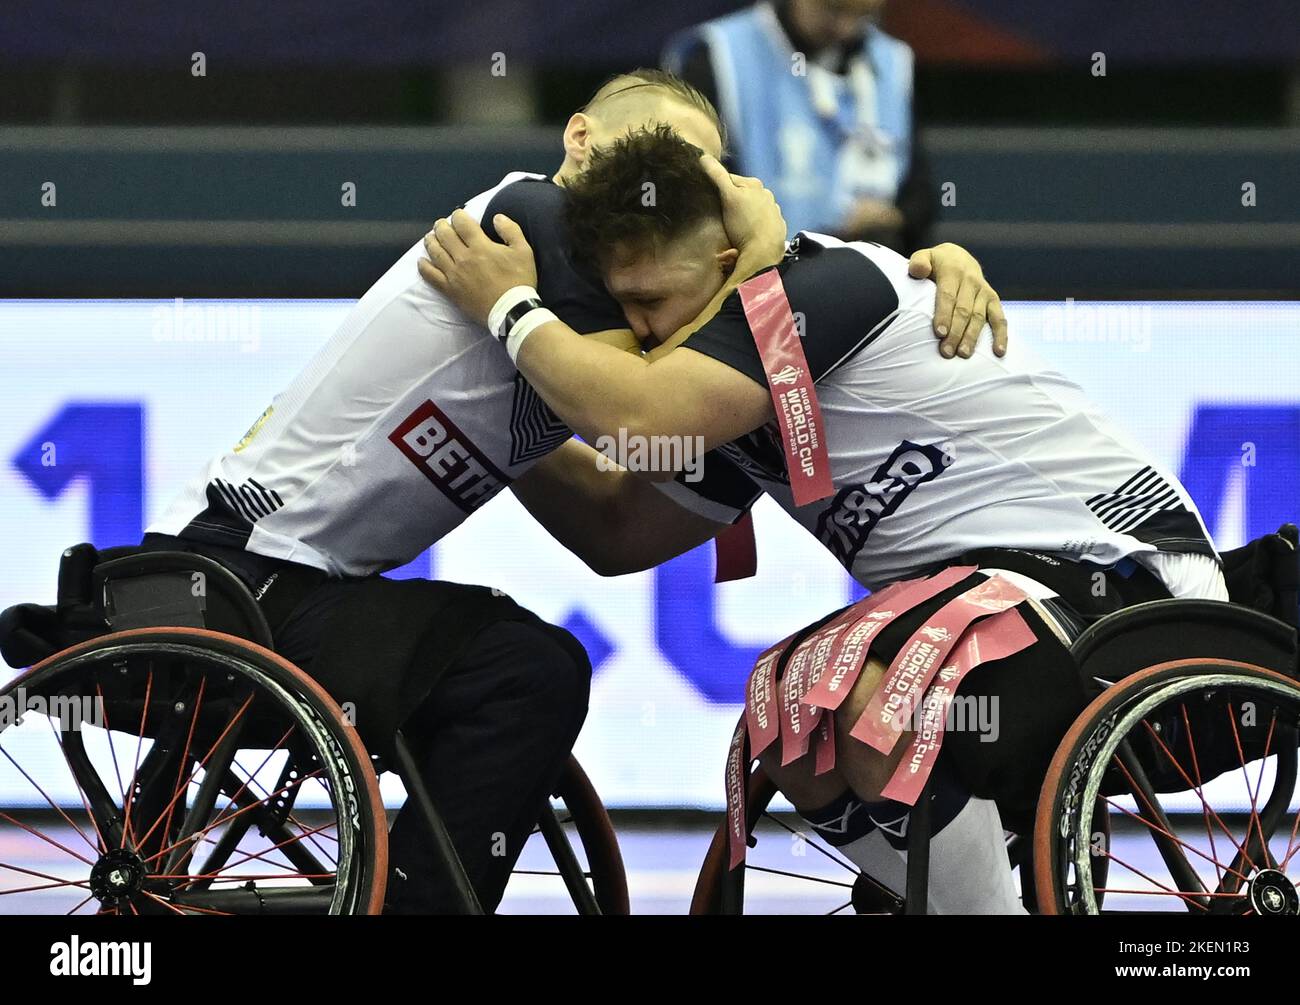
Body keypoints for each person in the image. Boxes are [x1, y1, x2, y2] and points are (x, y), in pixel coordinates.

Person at [142, 70, 1004, 913]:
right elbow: (650, 413)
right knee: (527, 671)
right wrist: (768, 261)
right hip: (230, 577)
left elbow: (613, 519)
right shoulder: (536, 219)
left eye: (701, 174)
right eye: (659, 154)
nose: (669, 189)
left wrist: (907, 268)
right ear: (581, 139)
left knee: (515, 666)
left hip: (284, 582)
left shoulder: (600, 324)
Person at [418, 126, 1230, 913]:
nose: (637, 334)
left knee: (864, 700)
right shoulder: (725, 391)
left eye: (650, 302)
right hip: (1003, 607)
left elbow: (631, 417)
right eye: (620, 306)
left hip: (1126, 588)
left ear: (726, 265)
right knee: (793, 716)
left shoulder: (823, 291)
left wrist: (510, 314)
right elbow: (614, 528)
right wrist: (496, 433)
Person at [664, 0, 933, 252]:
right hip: (749, 276)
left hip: (868, 273)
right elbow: (696, 192)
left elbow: (920, 196)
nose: (845, 29)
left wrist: (892, 218)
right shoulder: (717, 57)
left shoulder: (891, 60)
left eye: (862, 15)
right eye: (833, 10)